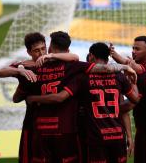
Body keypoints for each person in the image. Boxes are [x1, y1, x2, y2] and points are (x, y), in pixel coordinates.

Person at [17, 31, 136, 162]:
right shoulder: (116, 76)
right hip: (115, 136)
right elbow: (130, 103)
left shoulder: (80, 76)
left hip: (88, 135)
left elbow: (18, 96)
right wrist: (128, 70)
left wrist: (31, 95)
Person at [0, 32, 78, 163]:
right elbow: (0, 72)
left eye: (43, 48)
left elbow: (74, 57)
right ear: (29, 52)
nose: (41, 53)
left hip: (57, 124)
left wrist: (51, 55)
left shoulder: (54, 61)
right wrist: (20, 71)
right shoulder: (26, 66)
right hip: (34, 124)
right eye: (36, 50)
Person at [110, 35, 146, 163]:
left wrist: (109, 110)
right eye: (133, 48)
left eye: (137, 49)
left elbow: (129, 105)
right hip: (142, 129)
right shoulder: (137, 70)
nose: (133, 51)